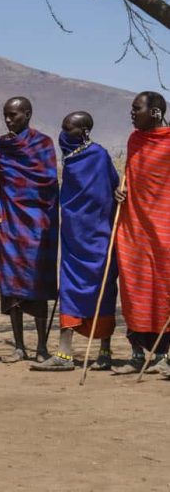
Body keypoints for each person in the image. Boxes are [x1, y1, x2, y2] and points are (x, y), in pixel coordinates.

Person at [31, 112, 119, 371]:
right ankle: (64, 354)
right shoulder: (70, 159)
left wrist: (119, 195)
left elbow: (113, 188)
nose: (62, 134)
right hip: (72, 238)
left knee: (102, 290)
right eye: (62, 128)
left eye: (68, 129)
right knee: (68, 290)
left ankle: (104, 352)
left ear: (84, 131)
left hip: (99, 238)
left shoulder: (99, 156)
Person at [0, 97, 58, 363]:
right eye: (5, 115)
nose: (8, 120)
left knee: (36, 283)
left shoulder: (43, 144)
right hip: (10, 223)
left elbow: (49, 181)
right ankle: (18, 347)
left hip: (37, 225)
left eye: (13, 115)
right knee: (10, 286)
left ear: (27, 114)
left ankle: (41, 347)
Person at [113, 91, 170, 375]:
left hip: (164, 227)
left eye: (137, 109)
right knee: (135, 286)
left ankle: (164, 354)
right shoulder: (135, 140)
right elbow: (131, 176)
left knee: (163, 287)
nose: (132, 114)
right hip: (133, 226)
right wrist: (120, 192)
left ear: (157, 112)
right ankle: (137, 352)